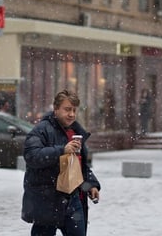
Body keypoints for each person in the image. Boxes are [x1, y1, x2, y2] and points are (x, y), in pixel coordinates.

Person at [21, 90, 101, 236]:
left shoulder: (76, 132)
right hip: (47, 200)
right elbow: (32, 156)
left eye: (74, 110)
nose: (71, 114)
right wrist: (61, 150)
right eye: (67, 109)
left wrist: (91, 184)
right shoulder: (41, 130)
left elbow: (79, 165)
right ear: (56, 109)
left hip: (73, 199)